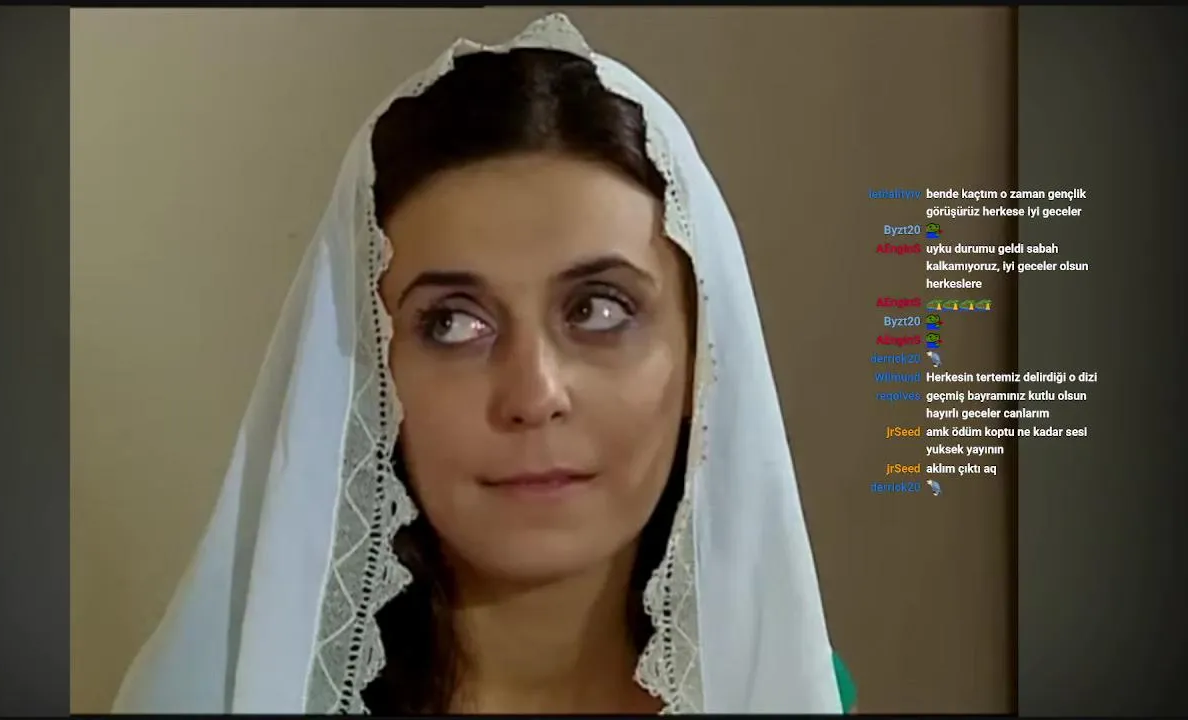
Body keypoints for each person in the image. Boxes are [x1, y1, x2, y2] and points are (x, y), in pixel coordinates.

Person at [112, 13, 855, 714]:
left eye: (599, 310)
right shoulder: (234, 690)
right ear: (369, 377)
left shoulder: (788, 686)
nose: (534, 394)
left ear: (702, 360)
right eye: (453, 323)